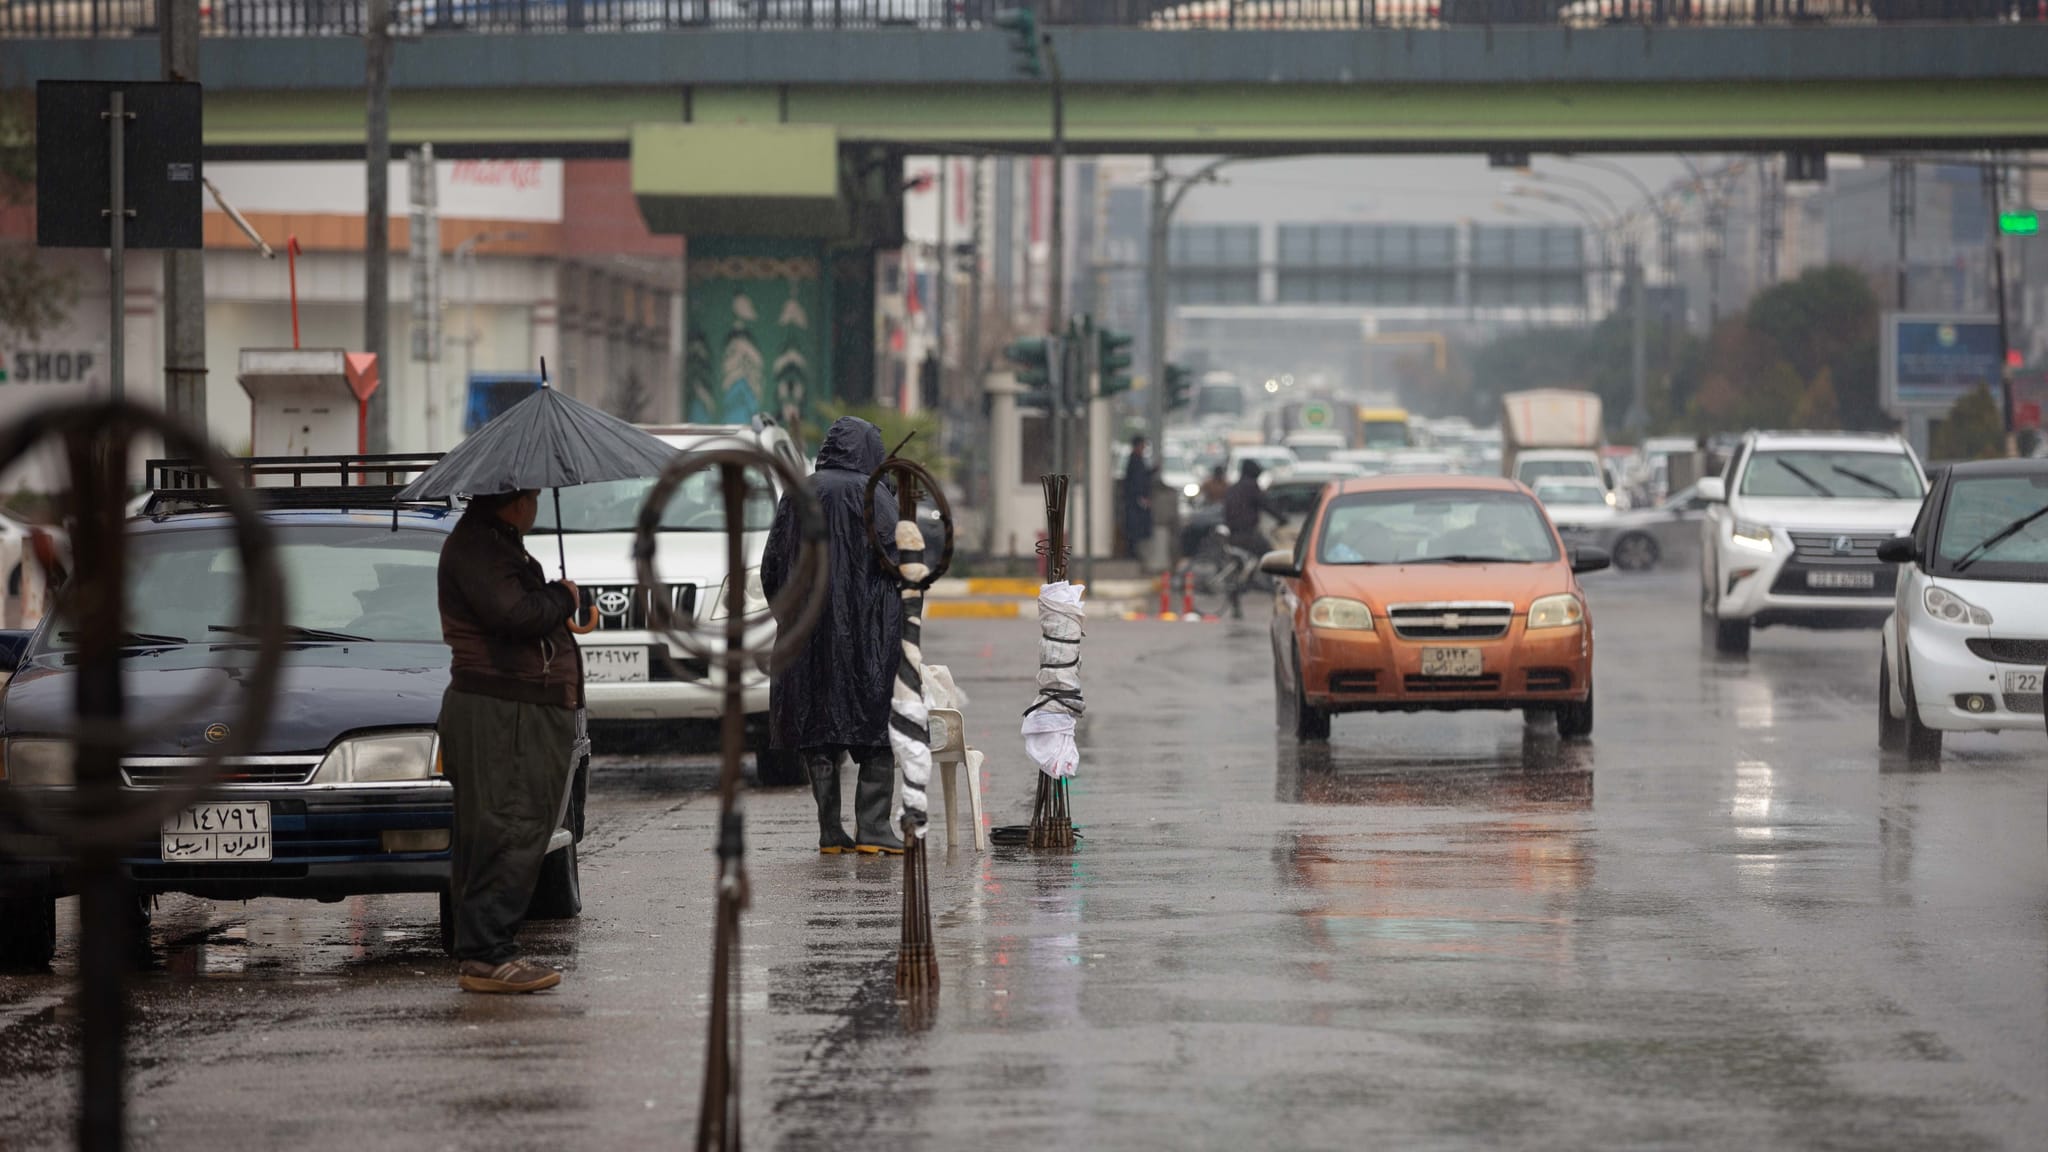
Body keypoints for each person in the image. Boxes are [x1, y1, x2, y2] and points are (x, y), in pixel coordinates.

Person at [437, 488, 581, 995]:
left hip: (513, 708)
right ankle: (487, 954)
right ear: (515, 500)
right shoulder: (479, 546)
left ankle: (484, 949)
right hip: (504, 712)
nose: (538, 503)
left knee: (507, 824)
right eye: (534, 494)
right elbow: (514, 616)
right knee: (507, 824)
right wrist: (563, 596)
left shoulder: (498, 544)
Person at [761, 416, 904, 856]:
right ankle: (873, 827)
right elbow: (899, 559)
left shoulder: (798, 492)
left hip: (809, 638)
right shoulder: (874, 494)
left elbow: (772, 567)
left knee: (817, 728)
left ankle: (830, 830)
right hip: (868, 636)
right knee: (874, 728)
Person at [1221, 459, 1283, 618]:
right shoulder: (1251, 487)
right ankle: (1274, 595)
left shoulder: (1234, 488)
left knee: (1238, 570)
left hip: (1233, 535)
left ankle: (1237, 602)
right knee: (1272, 560)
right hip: (1248, 535)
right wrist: (1282, 519)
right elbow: (1267, 505)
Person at [1120, 434, 1155, 563]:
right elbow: (1136, 481)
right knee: (1134, 527)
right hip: (1134, 501)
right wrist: (1141, 497)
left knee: (1137, 527)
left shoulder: (1137, 460)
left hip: (1136, 500)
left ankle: (1134, 551)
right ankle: (1131, 552)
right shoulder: (1134, 460)